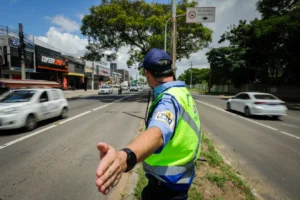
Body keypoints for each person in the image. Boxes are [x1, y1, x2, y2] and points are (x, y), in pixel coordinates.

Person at [95, 48, 201, 200]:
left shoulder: (168, 100)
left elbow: (157, 133)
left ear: (148, 73)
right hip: (181, 181)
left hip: (165, 188)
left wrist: (125, 158)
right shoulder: (182, 93)